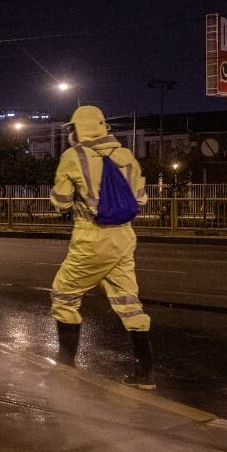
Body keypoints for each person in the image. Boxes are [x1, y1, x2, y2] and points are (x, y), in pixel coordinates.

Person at [49, 105, 154, 388]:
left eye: (72, 128)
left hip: (92, 239)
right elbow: (141, 200)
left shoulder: (73, 157)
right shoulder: (125, 156)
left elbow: (61, 202)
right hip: (124, 238)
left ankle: (66, 363)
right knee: (128, 301)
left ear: (78, 130)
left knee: (64, 294)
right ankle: (144, 374)